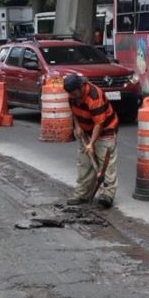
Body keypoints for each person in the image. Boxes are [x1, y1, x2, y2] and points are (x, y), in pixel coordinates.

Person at [63, 74, 118, 208]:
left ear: (81, 87)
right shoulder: (72, 95)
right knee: (84, 163)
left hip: (105, 131)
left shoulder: (94, 96)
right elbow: (73, 111)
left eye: (74, 93)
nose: (72, 96)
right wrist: (77, 127)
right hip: (86, 131)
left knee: (106, 164)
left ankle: (107, 195)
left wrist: (91, 144)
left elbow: (99, 124)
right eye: (70, 94)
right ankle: (83, 194)